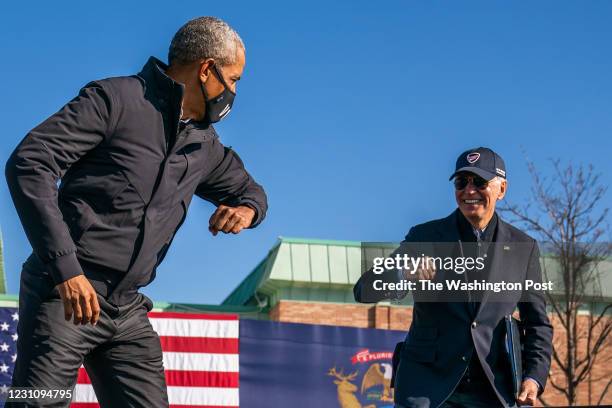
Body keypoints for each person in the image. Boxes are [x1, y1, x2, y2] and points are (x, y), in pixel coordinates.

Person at [5, 16, 267, 407]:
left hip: (127, 310)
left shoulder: (205, 145)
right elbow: (30, 162)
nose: (233, 91)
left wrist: (247, 211)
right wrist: (65, 268)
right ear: (207, 69)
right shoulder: (115, 100)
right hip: (63, 294)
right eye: (233, 79)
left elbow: (250, 191)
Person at [354, 147, 552, 408]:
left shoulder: (523, 248)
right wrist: (403, 273)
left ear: (501, 189)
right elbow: (364, 289)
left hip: (493, 390)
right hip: (426, 388)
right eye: (461, 182)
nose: (469, 191)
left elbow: (537, 323)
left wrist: (533, 378)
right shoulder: (425, 236)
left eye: (479, 182)